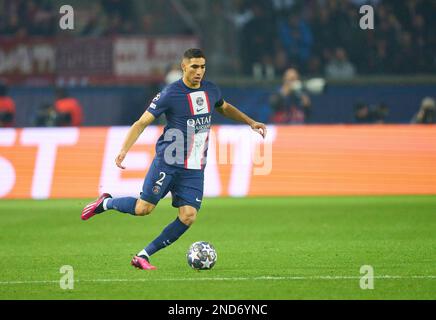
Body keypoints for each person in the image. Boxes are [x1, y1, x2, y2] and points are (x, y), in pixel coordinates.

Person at [80, 48, 267, 270]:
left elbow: (224, 108)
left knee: (188, 216)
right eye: (194, 66)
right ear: (184, 66)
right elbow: (141, 122)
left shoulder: (211, 90)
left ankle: (143, 255)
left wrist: (251, 122)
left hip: (195, 167)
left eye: (203, 67)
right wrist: (124, 150)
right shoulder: (170, 93)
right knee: (143, 209)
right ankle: (106, 203)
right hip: (168, 162)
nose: (199, 71)